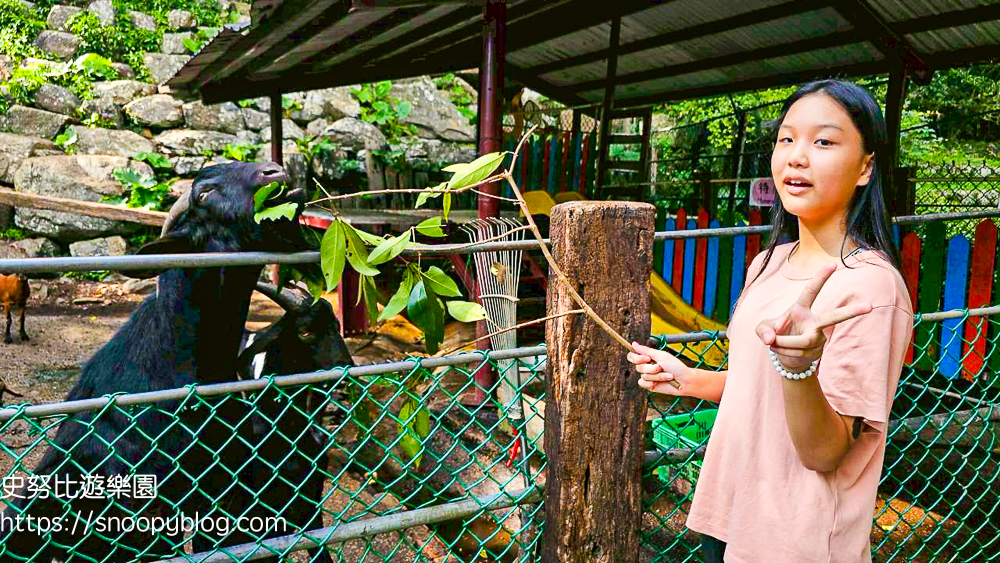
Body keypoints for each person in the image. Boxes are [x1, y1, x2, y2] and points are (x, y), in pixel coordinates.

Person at [629, 80, 913, 563]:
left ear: (866, 167)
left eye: (823, 141)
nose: (796, 157)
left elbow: (825, 452)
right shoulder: (769, 262)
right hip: (728, 514)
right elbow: (759, 384)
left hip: (794, 540)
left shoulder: (870, 287)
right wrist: (689, 378)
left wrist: (799, 369)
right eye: (787, 139)